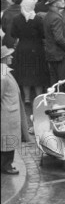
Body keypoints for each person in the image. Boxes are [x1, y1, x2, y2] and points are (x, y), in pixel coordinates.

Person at [10, 0, 49, 103]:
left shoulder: (16, 18)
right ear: (32, 6)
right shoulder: (37, 19)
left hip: (22, 47)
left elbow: (13, 33)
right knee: (38, 72)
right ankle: (38, 97)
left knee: (25, 73)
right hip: (37, 48)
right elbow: (43, 34)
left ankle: (27, 98)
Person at [1, 45, 26, 175]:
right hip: (7, 113)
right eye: (8, 55)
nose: (11, 56)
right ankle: (6, 165)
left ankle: (6, 164)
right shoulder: (3, 75)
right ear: (3, 59)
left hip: (10, 112)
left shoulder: (5, 72)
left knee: (9, 140)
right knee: (7, 141)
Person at [42, 0, 65, 88]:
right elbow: (59, 38)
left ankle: (55, 101)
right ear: (54, 3)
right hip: (59, 55)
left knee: (54, 82)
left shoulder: (48, 15)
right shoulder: (55, 17)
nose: (63, 1)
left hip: (52, 53)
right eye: (61, 0)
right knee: (62, 82)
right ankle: (63, 101)